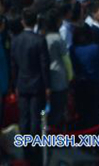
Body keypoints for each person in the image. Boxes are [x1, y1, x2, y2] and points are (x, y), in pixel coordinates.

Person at [11, 8, 50, 136]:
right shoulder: (39, 40)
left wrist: (15, 84)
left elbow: (14, 65)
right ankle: (35, 147)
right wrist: (47, 85)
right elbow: (44, 65)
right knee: (35, 117)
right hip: (37, 83)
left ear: (23, 22)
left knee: (24, 117)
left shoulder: (15, 40)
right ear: (36, 22)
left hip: (21, 82)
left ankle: (25, 147)